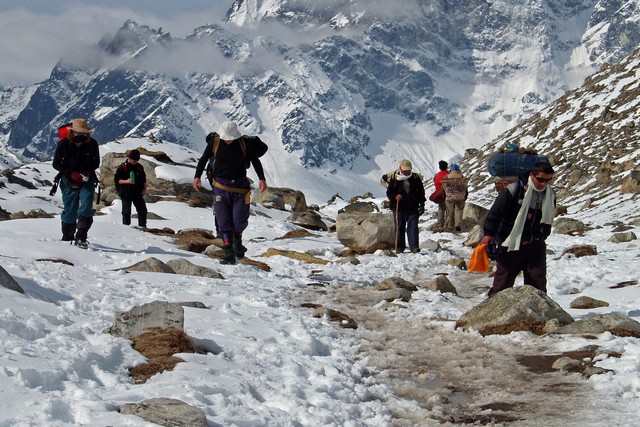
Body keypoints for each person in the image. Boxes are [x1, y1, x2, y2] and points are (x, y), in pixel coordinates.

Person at [193, 121, 268, 265]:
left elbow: (255, 160)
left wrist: (262, 179)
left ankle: (237, 240)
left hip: (240, 187)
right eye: (225, 138)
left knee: (239, 220)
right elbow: (203, 159)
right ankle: (228, 251)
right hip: (221, 186)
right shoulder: (215, 143)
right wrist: (197, 177)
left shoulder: (244, 143)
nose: (227, 140)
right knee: (223, 219)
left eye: (230, 138)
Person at [480, 162, 556, 297]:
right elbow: (495, 213)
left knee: (537, 287)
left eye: (548, 180)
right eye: (541, 179)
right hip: (511, 243)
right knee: (502, 286)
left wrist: (543, 234)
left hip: (535, 244)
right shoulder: (514, 190)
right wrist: (488, 234)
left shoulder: (550, 194)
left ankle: (537, 316)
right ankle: (494, 315)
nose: (544, 184)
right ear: (531, 175)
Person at [52, 118, 100, 249]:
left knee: (86, 204)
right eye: (79, 133)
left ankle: (81, 237)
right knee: (70, 210)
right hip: (68, 181)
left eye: (84, 133)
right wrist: (71, 173)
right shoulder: (63, 145)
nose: (82, 136)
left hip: (87, 180)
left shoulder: (92, 144)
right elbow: (56, 163)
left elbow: (96, 162)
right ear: (73, 132)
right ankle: (67, 237)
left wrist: (88, 172)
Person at [386, 159, 426, 253]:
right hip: (399, 206)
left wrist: (422, 204)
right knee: (400, 226)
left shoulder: (415, 177)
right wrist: (395, 196)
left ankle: (414, 247)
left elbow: (420, 191)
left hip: (413, 205)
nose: (407, 172)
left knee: (413, 226)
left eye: (408, 170)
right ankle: (400, 247)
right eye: (405, 171)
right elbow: (389, 192)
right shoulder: (394, 178)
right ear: (400, 168)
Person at [114, 149, 148, 228]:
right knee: (126, 211)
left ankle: (143, 226)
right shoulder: (123, 167)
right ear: (129, 158)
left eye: (136, 161)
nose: (134, 162)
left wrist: (145, 188)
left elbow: (143, 179)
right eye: (133, 160)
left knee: (142, 210)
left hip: (137, 191)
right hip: (126, 192)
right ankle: (126, 227)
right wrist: (127, 181)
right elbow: (117, 181)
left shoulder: (139, 167)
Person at [441, 164, 469, 232]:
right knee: (459, 210)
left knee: (450, 212)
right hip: (460, 198)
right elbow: (465, 188)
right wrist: (465, 196)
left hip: (450, 198)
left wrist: (444, 196)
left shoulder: (447, 177)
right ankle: (458, 225)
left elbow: (444, 188)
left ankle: (449, 225)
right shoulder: (462, 177)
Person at [433, 160, 449, 231]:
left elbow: (435, 183)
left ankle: (440, 224)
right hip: (448, 194)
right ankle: (448, 224)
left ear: (440, 167)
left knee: (441, 209)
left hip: (440, 195)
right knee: (449, 209)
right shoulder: (448, 174)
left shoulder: (437, 176)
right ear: (446, 167)